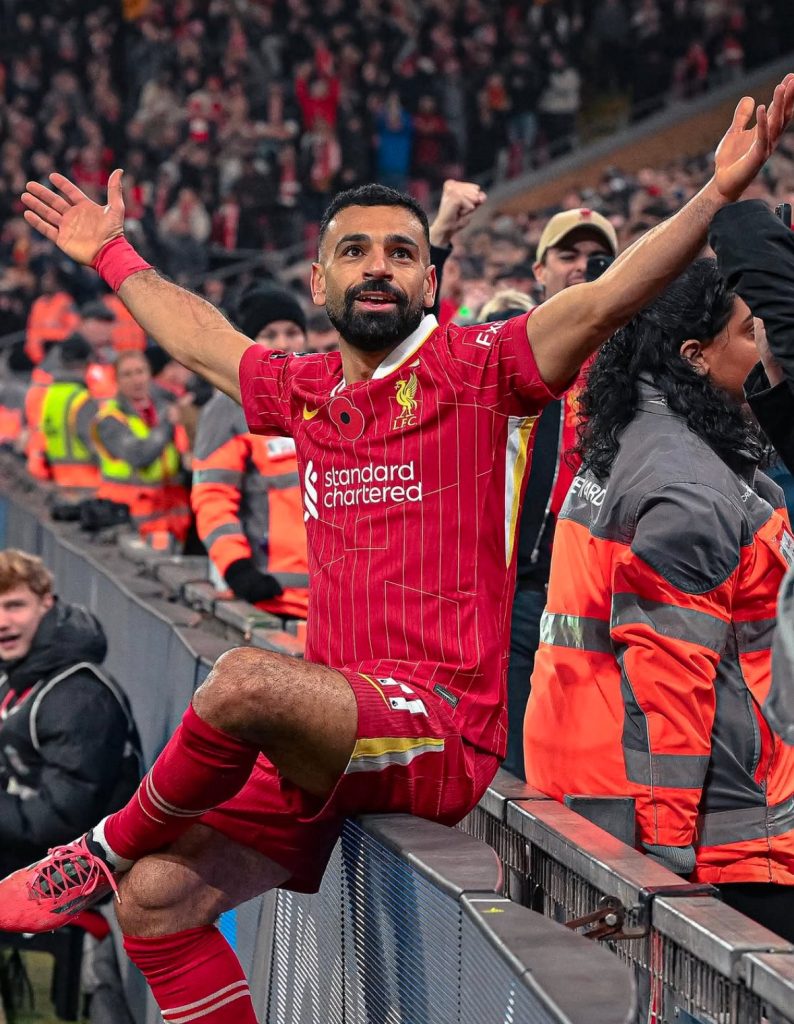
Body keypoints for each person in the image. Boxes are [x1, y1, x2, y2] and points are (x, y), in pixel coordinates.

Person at [4, 79, 792, 1024]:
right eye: (355, 252)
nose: (378, 268)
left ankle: (98, 849)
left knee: (245, 682)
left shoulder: (476, 369)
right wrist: (111, 253)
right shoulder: (300, 389)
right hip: (337, 726)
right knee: (158, 903)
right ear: (319, 281)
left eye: (401, 254)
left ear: (429, 279)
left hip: (438, 728)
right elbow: (204, 339)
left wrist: (715, 199)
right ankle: (122, 867)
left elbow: (606, 297)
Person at [523, 259, 794, 939]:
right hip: (722, 832)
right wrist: (665, 853)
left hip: (592, 784)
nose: (760, 344)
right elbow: (669, 677)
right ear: (695, 357)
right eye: (745, 332)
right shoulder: (690, 489)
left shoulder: (631, 442)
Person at [504, 206, 618, 778]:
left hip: (607, 592)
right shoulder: (508, 350)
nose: (580, 268)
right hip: (523, 589)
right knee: (517, 762)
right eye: (566, 256)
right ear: (539, 270)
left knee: (588, 760)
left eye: (595, 258)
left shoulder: (633, 359)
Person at [0, 550, 141, 878]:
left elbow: (60, 821)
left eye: (14, 606)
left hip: (57, 880)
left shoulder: (79, 696)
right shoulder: (18, 672)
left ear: (45, 603)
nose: (2, 622)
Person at [192, 285, 310, 619]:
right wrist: (237, 568)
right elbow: (212, 497)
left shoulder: (325, 396)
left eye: (293, 332)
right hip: (271, 600)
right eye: (270, 334)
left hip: (336, 601)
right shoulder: (228, 408)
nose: (284, 343)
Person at [92, 350, 191, 548]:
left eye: (140, 372)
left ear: (149, 374)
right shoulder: (110, 419)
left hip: (171, 519)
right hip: (127, 524)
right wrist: (167, 425)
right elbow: (139, 455)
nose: (135, 379)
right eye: (127, 374)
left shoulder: (166, 408)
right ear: (117, 380)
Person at [40, 333, 100, 491]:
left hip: (59, 483)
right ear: (88, 361)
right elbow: (96, 446)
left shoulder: (49, 395)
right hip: (88, 486)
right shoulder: (82, 399)